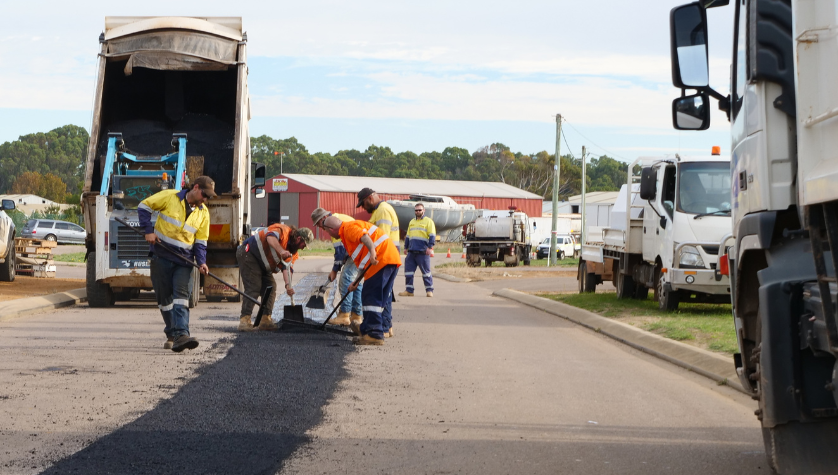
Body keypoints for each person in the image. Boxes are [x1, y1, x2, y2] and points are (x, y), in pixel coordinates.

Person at [138, 176, 214, 352]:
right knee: (165, 300)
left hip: (184, 261)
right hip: (161, 257)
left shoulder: (203, 213)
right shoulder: (170, 197)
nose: (205, 199)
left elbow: (201, 242)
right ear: (195, 188)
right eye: (204, 194)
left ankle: (182, 334)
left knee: (181, 296)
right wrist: (148, 231)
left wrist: (202, 262)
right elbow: (143, 206)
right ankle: (171, 333)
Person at [317, 215, 401, 345]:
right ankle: (368, 329)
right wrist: (355, 282)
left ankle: (374, 335)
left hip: (380, 260)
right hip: (389, 259)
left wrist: (373, 252)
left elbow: (365, 237)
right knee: (378, 298)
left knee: (370, 298)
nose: (329, 235)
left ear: (331, 228)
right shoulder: (347, 234)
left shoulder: (348, 228)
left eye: (327, 232)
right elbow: (362, 261)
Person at [236, 223, 314, 331]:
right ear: (298, 239)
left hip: (263, 263)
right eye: (304, 245)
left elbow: (287, 268)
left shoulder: (293, 253)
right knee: (254, 286)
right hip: (248, 253)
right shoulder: (282, 231)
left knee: (270, 286)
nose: (303, 248)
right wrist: (281, 251)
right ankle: (244, 320)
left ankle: (265, 320)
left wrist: (288, 285)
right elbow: (270, 237)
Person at [310, 208, 362, 326]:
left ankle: (344, 315)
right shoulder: (336, 219)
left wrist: (334, 270)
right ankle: (356, 316)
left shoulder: (333, 223)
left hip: (358, 250)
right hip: (359, 250)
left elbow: (340, 252)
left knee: (346, 279)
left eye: (318, 224)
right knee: (356, 282)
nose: (319, 227)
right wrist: (335, 268)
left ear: (323, 219)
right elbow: (341, 252)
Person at [399, 203, 436, 297]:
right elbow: (408, 236)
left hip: (423, 252)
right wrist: (406, 247)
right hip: (411, 251)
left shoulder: (428, 222)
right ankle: (409, 290)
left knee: (426, 273)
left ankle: (429, 290)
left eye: (420, 210)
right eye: (416, 210)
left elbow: (432, 235)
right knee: (408, 272)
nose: (418, 212)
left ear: (424, 210)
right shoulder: (412, 222)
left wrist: (430, 247)